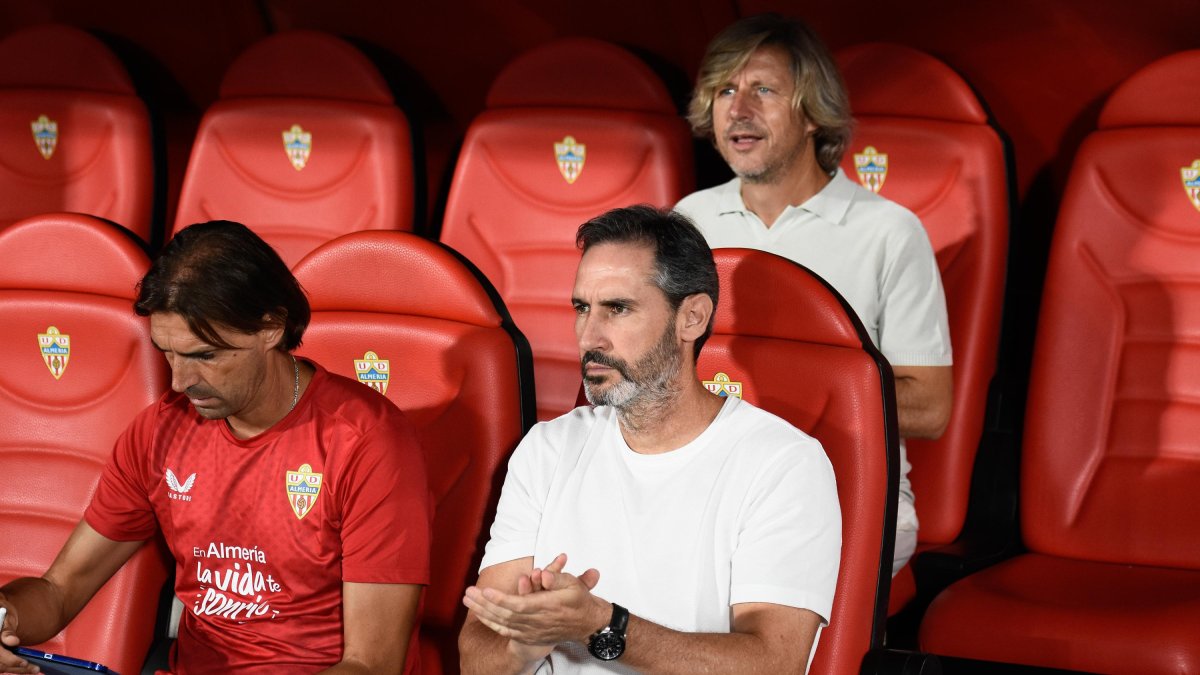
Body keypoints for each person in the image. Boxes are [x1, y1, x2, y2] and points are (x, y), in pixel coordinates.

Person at [0, 221, 431, 674]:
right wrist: (5, 615)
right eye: (167, 352)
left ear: (271, 327)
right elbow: (58, 591)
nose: (180, 382)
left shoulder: (367, 442)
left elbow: (372, 665)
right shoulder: (158, 432)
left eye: (204, 356)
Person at [458, 205, 840, 674]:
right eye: (582, 308)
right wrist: (522, 645)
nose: (588, 337)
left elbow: (773, 663)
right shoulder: (547, 448)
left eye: (617, 308)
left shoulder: (784, 463)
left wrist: (602, 624)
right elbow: (476, 659)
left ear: (692, 318)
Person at [673, 13, 953, 574]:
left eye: (764, 90)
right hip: (704, 495)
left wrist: (775, 381)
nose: (738, 109)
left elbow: (929, 407)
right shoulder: (690, 220)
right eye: (725, 89)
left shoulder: (887, 231)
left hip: (844, 496)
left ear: (811, 115)